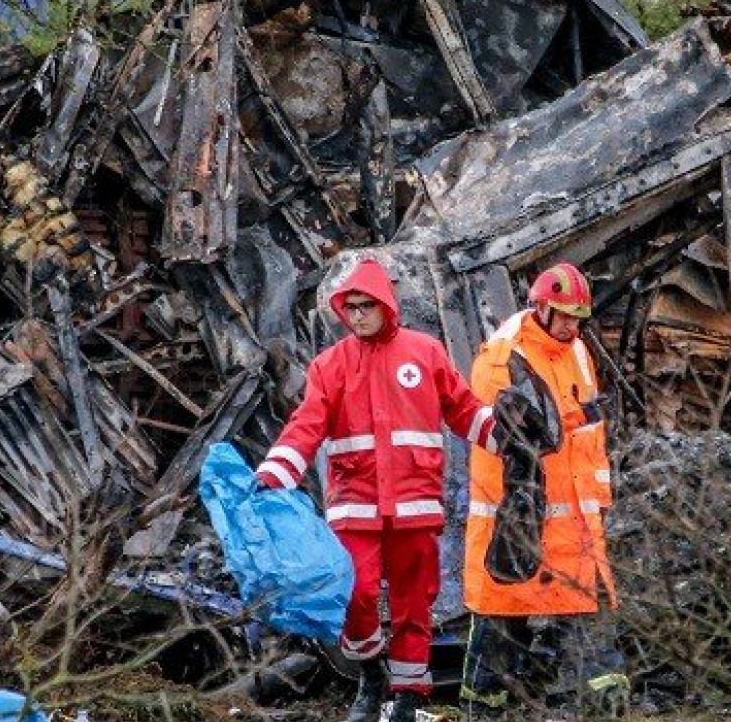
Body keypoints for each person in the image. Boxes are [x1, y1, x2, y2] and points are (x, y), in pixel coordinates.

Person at [254, 259, 499, 722]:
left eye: (367, 306)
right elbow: (306, 426)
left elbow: (463, 410)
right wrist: (276, 470)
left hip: (416, 504)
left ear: (387, 306)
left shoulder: (425, 353)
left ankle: (407, 697)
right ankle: (369, 673)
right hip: (355, 505)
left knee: (414, 604)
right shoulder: (331, 366)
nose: (359, 315)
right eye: (351, 307)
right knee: (358, 594)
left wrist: (510, 437)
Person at [460, 262, 628, 720]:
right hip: (518, 514)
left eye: (579, 317)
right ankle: (486, 707)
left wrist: (600, 500)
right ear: (541, 307)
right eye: (566, 315)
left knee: (584, 602)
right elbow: (509, 441)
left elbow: (589, 429)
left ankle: (604, 704)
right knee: (503, 606)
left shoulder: (574, 349)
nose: (574, 326)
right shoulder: (504, 357)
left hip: (572, 510)